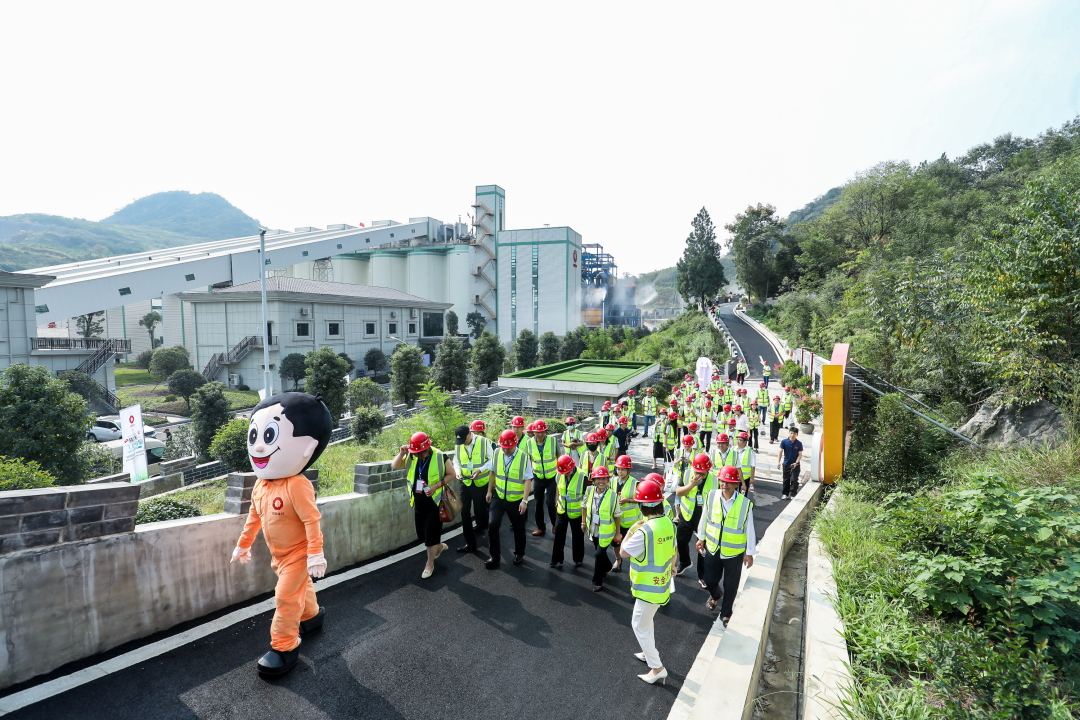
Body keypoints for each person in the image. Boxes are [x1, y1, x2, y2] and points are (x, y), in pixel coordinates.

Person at [231, 391, 332, 676]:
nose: (259, 447)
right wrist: (243, 544)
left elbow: (312, 519)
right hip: (278, 555)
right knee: (300, 589)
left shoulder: (297, 484)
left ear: (308, 447)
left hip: (298, 554)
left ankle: (284, 647)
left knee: (286, 597)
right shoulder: (261, 485)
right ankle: (311, 617)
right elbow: (254, 517)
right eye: (255, 436)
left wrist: (315, 554)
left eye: (270, 435)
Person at [619, 475, 676, 686]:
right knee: (646, 621)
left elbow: (623, 552)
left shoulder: (644, 531)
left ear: (642, 506)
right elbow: (673, 549)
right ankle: (648, 652)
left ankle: (657, 668)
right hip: (661, 584)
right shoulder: (668, 522)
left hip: (647, 588)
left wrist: (631, 530)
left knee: (639, 624)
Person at [696, 465, 757, 626]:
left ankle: (726, 613)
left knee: (731, 585)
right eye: (722, 481)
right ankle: (716, 595)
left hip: (734, 552)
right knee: (709, 579)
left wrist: (749, 552)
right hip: (713, 547)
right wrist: (701, 538)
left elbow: (749, 529)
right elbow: (704, 517)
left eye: (729, 482)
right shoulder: (711, 496)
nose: (725, 484)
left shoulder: (745, 504)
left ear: (736, 484)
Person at [391, 431, 456, 578]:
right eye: (416, 453)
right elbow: (395, 466)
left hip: (435, 503)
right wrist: (401, 454)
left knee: (430, 538)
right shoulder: (412, 456)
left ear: (427, 448)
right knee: (423, 535)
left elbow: (451, 474)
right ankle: (439, 546)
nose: (419, 456)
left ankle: (429, 563)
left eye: (421, 453)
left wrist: (436, 486)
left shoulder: (440, 456)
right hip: (418, 503)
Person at [485, 429, 533, 569]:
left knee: (519, 529)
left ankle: (519, 553)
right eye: (503, 447)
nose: (505, 450)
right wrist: (489, 491)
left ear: (515, 444)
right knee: (492, 524)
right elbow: (492, 472)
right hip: (499, 497)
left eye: (508, 448)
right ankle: (494, 557)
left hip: (516, 500)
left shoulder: (523, 457)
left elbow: (528, 479)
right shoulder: (497, 452)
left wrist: (525, 501)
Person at [674, 453, 718, 588]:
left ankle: (702, 576)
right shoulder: (687, 474)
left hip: (704, 520)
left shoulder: (715, 480)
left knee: (702, 549)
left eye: (702, 473)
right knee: (681, 541)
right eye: (696, 472)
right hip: (687, 516)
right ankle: (685, 562)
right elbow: (678, 493)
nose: (698, 475)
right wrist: (692, 485)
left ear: (708, 470)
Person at [453, 419, 492, 553]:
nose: (463, 442)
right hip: (465, 482)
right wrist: (457, 471)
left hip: (480, 483)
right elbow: (456, 460)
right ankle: (470, 543)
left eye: (464, 439)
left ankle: (491, 537)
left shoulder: (483, 442)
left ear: (470, 434)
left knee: (481, 511)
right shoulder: (459, 443)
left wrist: (480, 470)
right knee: (464, 512)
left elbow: (492, 460)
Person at [582, 466, 622, 591]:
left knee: (598, 554)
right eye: (598, 478)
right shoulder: (589, 491)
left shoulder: (613, 496)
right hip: (593, 529)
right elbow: (584, 506)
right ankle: (607, 566)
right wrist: (583, 523)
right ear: (594, 480)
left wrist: (618, 533)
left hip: (606, 532)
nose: (601, 481)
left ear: (608, 480)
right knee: (600, 553)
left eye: (604, 478)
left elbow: (617, 515)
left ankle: (597, 581)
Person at [550, 454, 587, 568]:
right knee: (559, 535)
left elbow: (586, 497)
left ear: (572, 467)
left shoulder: (582, 476)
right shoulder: (559, 473)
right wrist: (557, 499)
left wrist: (584, 519)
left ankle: (578, 559)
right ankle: (556, 559)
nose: (565, 475)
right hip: (562, 510)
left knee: (577, 537)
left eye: (567, 472)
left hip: (576, 512)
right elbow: (558, 487)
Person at [525, 419, 559, 537]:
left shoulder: (552, 441)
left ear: (545, 431)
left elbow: (558, 456)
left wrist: (560, 473)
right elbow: (529, 459)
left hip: (552, 477)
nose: (540, 434)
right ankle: (541, 528)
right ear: (533, 432)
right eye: (537, 432)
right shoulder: (529, 443)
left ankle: (555, 524)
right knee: (538, 503)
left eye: (542, 432)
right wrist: (529, 475)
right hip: (538, 477)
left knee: (550, 503)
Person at [612, 455, 639, 573]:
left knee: (633, 545)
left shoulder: (635, 483)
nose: (620, 472)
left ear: (628, 470)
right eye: (618, 469)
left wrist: (628, 500)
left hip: (631, 522)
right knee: (616, 542)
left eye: (622, 469)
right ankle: (618, 560)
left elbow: (640, 499)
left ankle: (635, 564)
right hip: (616, 520)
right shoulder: (612, 481)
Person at [777, 426, 804, 499]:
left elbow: (800, 454)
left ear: (797, 435)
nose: (792, 435)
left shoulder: (799, 444)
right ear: (789, 433)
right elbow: (780, 451)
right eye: (791, 433)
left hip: (795, 465)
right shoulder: (784, 442)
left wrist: (796, 462)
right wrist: (778, 462)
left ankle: (793, 494)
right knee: (786, 479)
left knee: (794, 480)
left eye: (794, 434)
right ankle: (785, 494)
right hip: (786, 464)